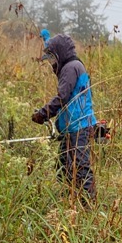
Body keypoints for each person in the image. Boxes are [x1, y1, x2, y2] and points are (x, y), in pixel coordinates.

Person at [32, 33, 97, 203]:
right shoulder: (73, 65)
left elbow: (62, 97)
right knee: (64, 167)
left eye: (53, 58)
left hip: (78, 126)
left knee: (81, 167)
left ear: (60, 54)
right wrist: (46, 38)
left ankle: (89, 206)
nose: (51, 63)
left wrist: (43, 114)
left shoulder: (69, 68)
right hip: (72, 126)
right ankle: (70, 200)